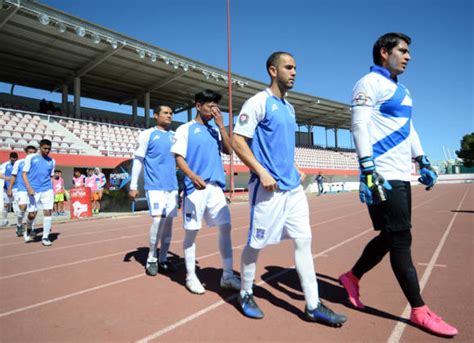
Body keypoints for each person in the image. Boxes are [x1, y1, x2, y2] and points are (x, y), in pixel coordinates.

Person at [339, 32, 457, 337]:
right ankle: (419, 309)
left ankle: (351, 277)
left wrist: (423, 159)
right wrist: (367, 168)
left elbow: (410, 127)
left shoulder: (402, 89)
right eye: (402, 51)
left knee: (392, 236)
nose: (408, 56)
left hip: (401, 174)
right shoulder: (368, 84)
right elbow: (359, 124)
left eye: (408, 52)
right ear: (383, 52)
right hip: (382, 174)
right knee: (401, 239)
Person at [232, 52, 346, 326]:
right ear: (273, 70)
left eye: (296, 67)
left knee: (303, 241)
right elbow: (237, 140)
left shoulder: (290, 107)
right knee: (255, 244)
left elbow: (280, 145)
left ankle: (313, 305)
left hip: (293, 189)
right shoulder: (258, 102)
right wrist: (261, 171)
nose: (294, 72)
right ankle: (245, 292)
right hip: (267, 190)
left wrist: (293, 166)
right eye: (289, 67)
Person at [171, 89, 240, 295]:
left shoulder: (215, 130)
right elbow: (178, 158)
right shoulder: (185, 129)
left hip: (215, 187)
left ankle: (227, 275)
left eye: (216, 106)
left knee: (226, 227)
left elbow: (229, 150)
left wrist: (221, 125)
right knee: (192, 232)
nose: (213, 110)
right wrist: (192, 176)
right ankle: (191, 276)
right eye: (210, 106)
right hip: (195, 188)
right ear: (198, 106)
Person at [129, 105, 179, 276]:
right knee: (158, 221)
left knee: (169, 223)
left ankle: (163, 258)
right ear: (156, 116)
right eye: (166, 113)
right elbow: (138, 160)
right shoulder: (147, 134)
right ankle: (151, 258)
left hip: (172, 186)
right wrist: (133, 185)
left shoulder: (175, 136)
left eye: (171, 113)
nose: (169, 115)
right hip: (154, 186)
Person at [22, 139, 55, 246]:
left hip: (47, 189)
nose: (47, 151)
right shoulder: (31, 157)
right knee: (32, 214)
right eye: (45, 148)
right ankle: (28, 228)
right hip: (34, 189)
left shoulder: (52, 161)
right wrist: (29, 188)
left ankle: (45, 237)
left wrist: (51, 189)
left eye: (49, 149)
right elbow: (24, 174)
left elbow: (51, 176)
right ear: (40, 147)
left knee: (48, 212)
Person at [7, 145, 37, 237]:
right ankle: (19, 225)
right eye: (29, 152)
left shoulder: (37, 163)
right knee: (22, 208)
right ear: (26, 152)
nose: (31, 154)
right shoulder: (19, 163)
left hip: (34, 189)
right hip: (22, 189)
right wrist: (10, 188)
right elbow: (13, 175)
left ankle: (30, 228)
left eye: (33, 152)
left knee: (33, 211)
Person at [1, 152, 19, 228]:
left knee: (17, 205)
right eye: (12, 160)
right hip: (6, 187)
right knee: (6, 205)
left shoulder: (19, 165)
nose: (13, 162)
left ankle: (19, 223)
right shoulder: (5, 165)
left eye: (15, 160)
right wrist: (6, 178)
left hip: (16, 188)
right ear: (10, 158)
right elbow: (0, 174)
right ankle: (5, 220)